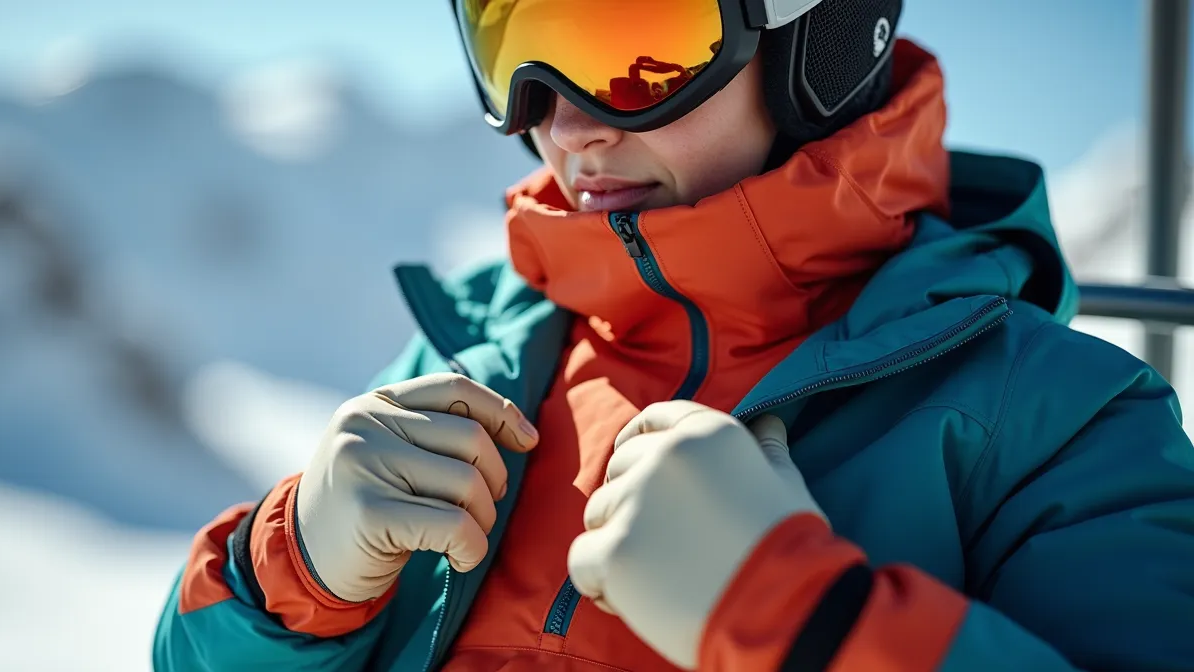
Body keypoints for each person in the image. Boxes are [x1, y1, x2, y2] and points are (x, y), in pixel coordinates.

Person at [153, 1, 1194, 670]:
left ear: (815, 49)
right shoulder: (479, 353)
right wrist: (284, 573)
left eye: (627, 45)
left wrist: (802, 620)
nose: (561, 124)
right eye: (512, 46)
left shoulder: (1060, 421)